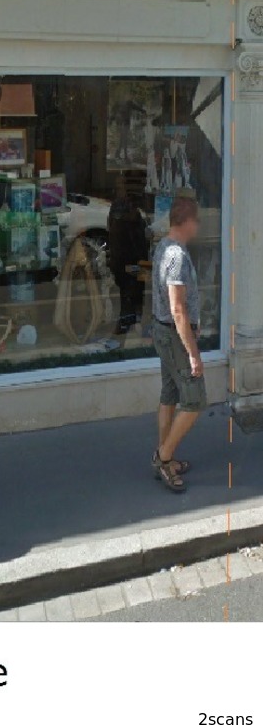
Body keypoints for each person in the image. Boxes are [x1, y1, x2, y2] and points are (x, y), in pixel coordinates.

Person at [149, 196, 205, 493]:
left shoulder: (164, 247)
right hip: (174, 335)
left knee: (169, 395)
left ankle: (165, 455)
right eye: (197, 220)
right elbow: (178, 309)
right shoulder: (177, 256)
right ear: (186, 221)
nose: (198, 226)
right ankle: (163, 456)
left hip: (164, 332)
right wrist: (193, 354)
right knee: (195, 401)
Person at [107, 180, 150, 334]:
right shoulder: (124, 214)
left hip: (132, 258)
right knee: (130, 291)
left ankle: (133, 320)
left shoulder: (127, 214)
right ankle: (130, 321)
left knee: (135, 291)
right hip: (128, 258)